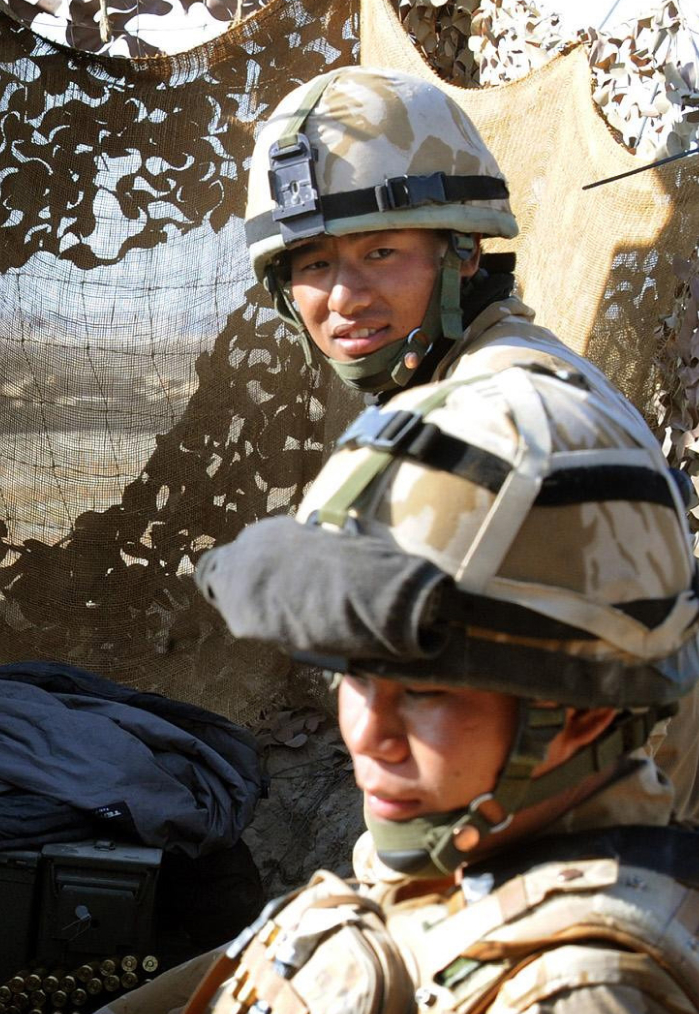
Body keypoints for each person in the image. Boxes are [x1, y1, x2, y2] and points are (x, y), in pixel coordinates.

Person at [242, 65, 699, 824]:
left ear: (464, 254)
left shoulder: (487, 424)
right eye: (315, 264)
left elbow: (463, 777)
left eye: (380, 251)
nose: (345, 296)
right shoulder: (488, 376)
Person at [183, 343, 699, 1013]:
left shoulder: (581, 989)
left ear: (584, 713)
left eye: (424, 691)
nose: (368, 735)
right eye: (356, 677)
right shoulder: (463, 860)